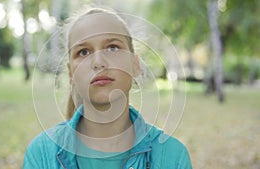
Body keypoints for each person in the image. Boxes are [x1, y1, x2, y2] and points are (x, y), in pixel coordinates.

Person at [23, 7, 192, 169]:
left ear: (135, 64)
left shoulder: (173, 157)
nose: (98, 62)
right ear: (71, 74)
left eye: (113, 47)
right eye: (83, 52)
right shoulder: (41, 155)